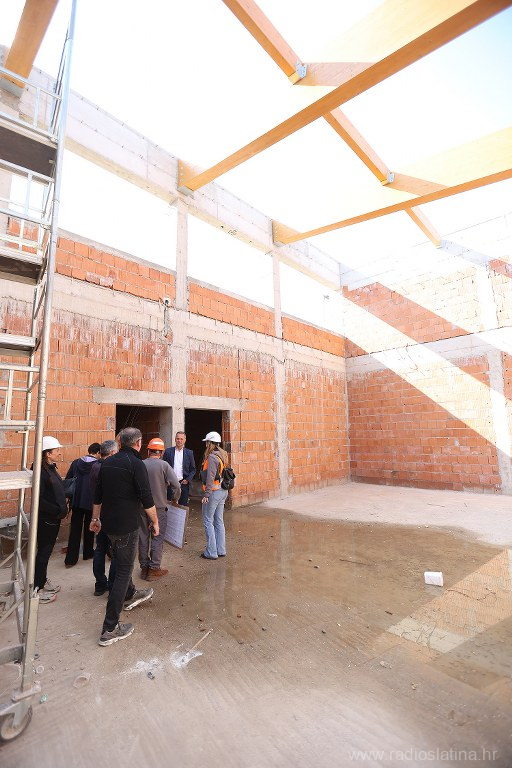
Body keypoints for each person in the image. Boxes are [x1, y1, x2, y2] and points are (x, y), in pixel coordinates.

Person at [90, 427, 159, 646]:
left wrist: (95, 519)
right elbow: (147, 498)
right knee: (123, 571)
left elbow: (98, 495)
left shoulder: (107, 462)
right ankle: (109, 628)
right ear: (138, 443)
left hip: (109, 525)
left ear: (120, 442)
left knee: (120, 562)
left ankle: (130, 593)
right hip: (127, 527)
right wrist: (155, 521)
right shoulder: (136, 464)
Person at [140, 437, 181, 581]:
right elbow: (177, 485)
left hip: (141, 508)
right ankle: (154, 569)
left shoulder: (140, 464)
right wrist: (174, 499)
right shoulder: (164, 465)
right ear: (161, 452)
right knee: (157, 537)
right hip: (159, 508)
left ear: (148, 451)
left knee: (143, 537)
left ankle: (144, 568)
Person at [33, 436, 68, 603]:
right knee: (43, 553)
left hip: (53, 518)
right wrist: (57, 510)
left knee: (45, 553)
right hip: (47, 519)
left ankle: (41, 580)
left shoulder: (50, 468)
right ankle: (37, 589)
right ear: (47, 453)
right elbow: (38, 499)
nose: (59, 453)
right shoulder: (41, 471)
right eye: (56, 450)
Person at [64, 442, 101, 567]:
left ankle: (70, 559)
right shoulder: (98, 465)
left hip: (77, 501)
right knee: (90, 527)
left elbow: (68, 479)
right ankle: (88, 552)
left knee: (75, 529)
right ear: (98, 452)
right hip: (91, 501)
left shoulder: (76, 463)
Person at [90, 439, 118, 596]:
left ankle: (100, 584)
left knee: (100, 549)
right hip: (108, 515)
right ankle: (112, 585)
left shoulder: (95, 466)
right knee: (115, 551)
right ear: (113, 453)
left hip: (97, 514)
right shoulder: (109, 468)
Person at [200, 431, 229, 560]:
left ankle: (211, 552)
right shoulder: (222, 455)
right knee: (218, 521)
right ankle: (220, 550)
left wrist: (206, 494)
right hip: (222, 491)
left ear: (210, 443)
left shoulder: (212, 457)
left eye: (207, 442)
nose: (206, 444)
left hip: (214, 492)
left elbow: (210, 477)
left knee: (208, 520)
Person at [162, 431, 196, 506]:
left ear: (185, 440)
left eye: (181, 439)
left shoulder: (189, 453)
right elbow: (163, 467)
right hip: (170, 484)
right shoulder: (168, 451)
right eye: (178, 439)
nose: (179, 441)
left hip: (183, 484)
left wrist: (187, 480)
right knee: (169, 506)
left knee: (182, 507)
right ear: (175, 439)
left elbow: (193, 469)